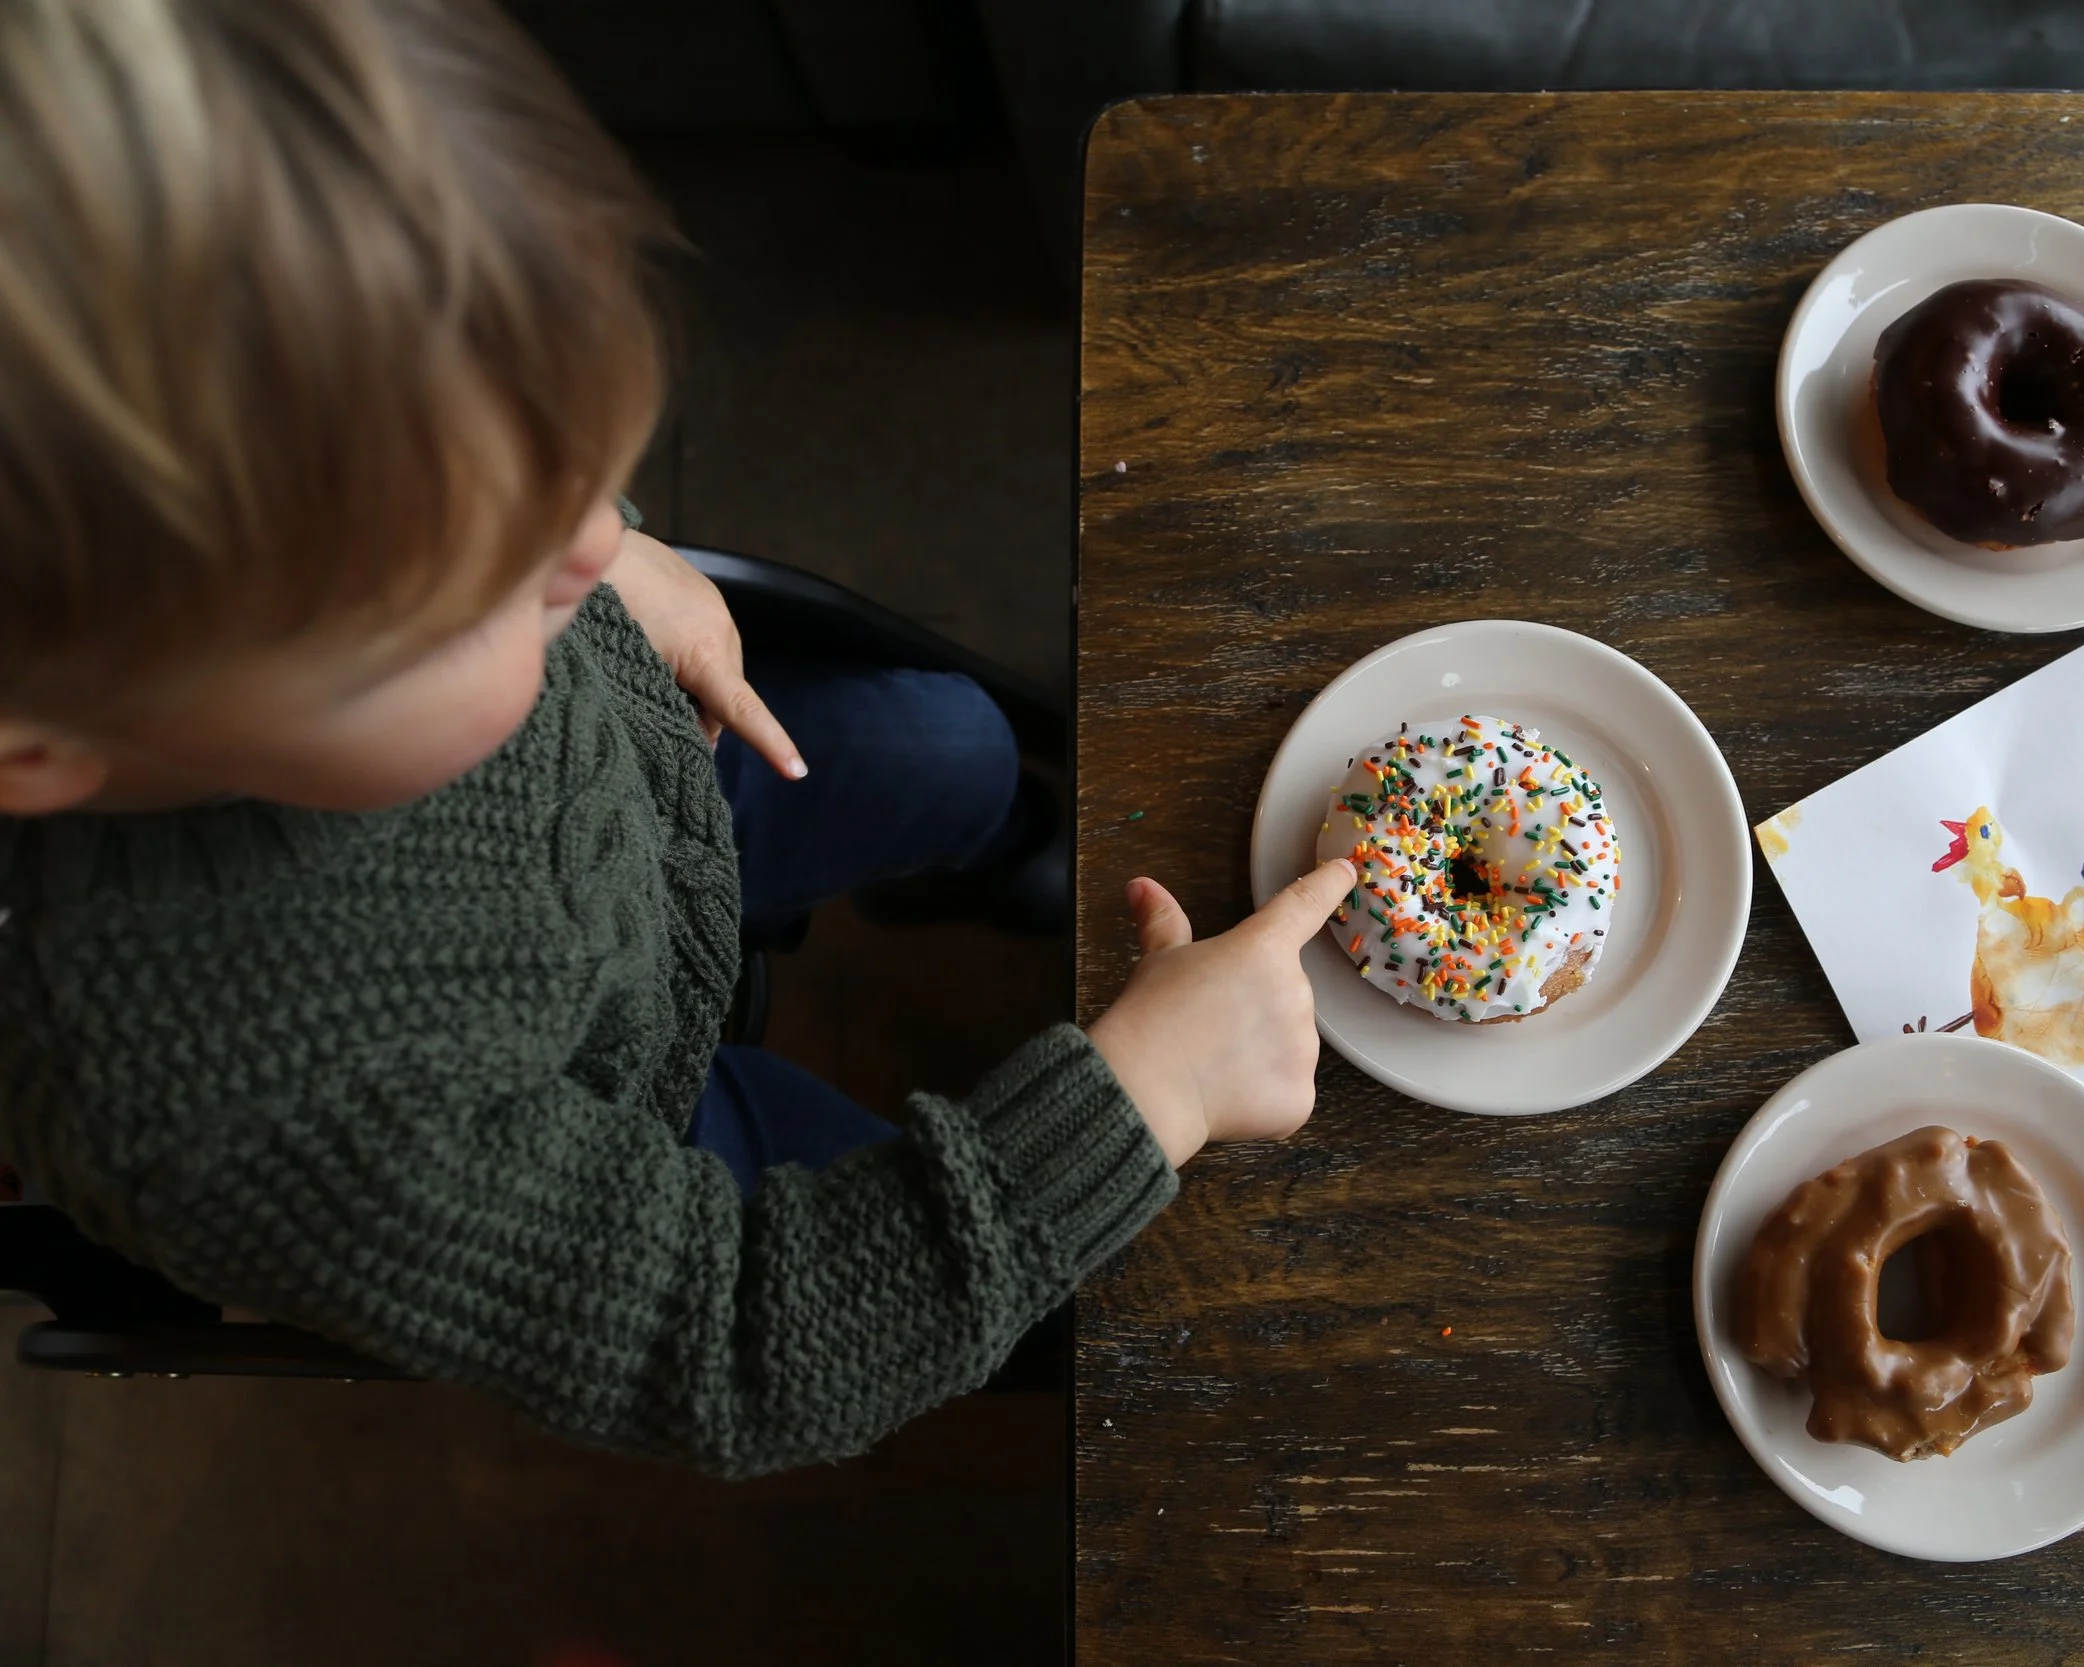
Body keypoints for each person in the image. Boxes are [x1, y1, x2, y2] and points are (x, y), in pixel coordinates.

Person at [0, 0, 1351, 1475]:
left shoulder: (326, 576)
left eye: (573, 470)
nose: (588, 551)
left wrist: (608, 551)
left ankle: (993, 860)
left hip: (652, 798)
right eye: (490, 578)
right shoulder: (243, 1097)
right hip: (630, 1105)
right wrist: (1152, 1092)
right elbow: (737, 1349)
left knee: (952, 743)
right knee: (1068, 1293)